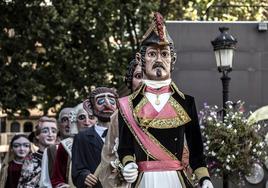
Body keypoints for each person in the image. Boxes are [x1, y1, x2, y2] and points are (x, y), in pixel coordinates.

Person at [117, 12, 213, 188]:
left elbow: (196, 151)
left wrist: (204, 178)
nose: (159, 60)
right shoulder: (127, 104)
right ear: (140, 59)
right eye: (152, 54)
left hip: (176, 181)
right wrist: (129, 163)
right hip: (144, 180)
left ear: (173, 60)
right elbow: (125, 148)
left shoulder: (187, 102)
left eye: (164, 54)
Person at [97, 59, 142, 188]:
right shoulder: (119, 115)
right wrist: (123, 171)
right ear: (130, 81)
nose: (143, 81)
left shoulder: (169, 110)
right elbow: (108, 157)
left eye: (147, 75)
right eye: (138, 76)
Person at [72, 87, 118, 188]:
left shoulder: (125, 134)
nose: (107, 104)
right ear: (89, 107)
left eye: (111, 100)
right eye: (101, 100)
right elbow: (77, 169)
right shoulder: (82, 138)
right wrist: (84, 177)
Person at [51, 103, 97, 188]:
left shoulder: (106, 142)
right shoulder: (65, 146)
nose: (87, 122)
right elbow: (57, 179)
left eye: (91, 117)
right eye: (82, 117)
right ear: (75, 120)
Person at [18, 116, 58, 188]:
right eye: (45, 131)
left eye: (54, 131)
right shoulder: (30, 160)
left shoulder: (61, 157)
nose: (50, 134)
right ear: (37, 135)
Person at [39, 107, 73, 188]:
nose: (69, 124)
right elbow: (45, 184)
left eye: (73, 119)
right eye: (65, 120)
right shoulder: (51, 150)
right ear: (58, 124)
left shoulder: (87, 146)